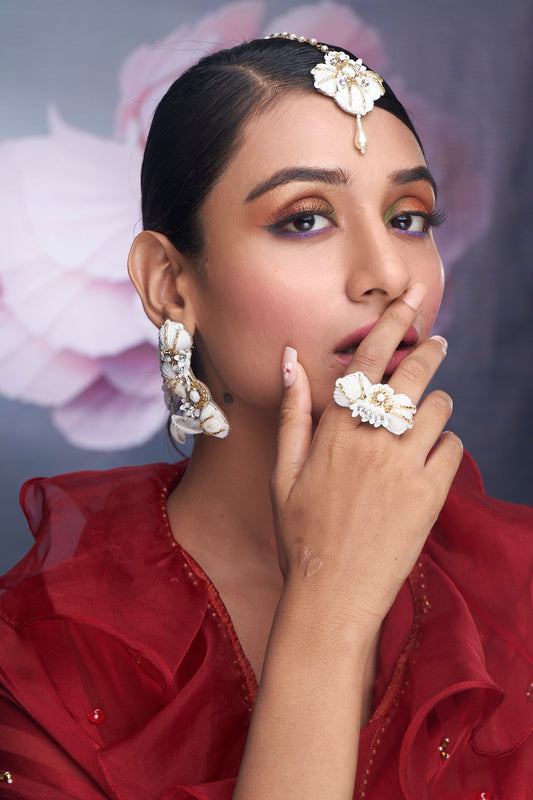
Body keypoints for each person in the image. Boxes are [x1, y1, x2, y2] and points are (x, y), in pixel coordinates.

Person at [0, 34, 531, 800]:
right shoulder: (40, 657)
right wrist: (329, 608)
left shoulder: (517, 584)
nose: (388, 275)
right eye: (305, 219)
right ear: (169, 283)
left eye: (408, 217)